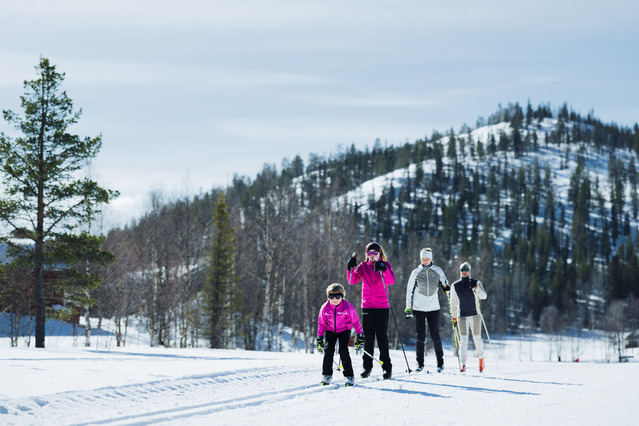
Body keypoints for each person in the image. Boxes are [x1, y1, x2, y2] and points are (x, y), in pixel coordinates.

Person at [346, 241, 395, 379]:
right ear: (366, 254)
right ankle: (367, 367)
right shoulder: (363, 266)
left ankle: (387, 368)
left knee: (382, 338)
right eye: (369, 253)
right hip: (367, 305)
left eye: (375, 253)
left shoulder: (385, 265)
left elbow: (391, 281)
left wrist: (383, 269)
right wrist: (349, 268)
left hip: (382, 306)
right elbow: (351, 280)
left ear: (379, 254)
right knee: (368, 338)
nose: (372, 256)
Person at [404, 247, 450, 373]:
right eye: (423, 258)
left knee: (435, 335)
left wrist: (446, 287)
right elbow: (409, 291)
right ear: (420, 259)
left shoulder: (438, 270)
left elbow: (445, 285)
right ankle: (420, 363)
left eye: (427, 258)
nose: (425, 261)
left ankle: (440, 363)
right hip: (419, 308)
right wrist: (408, 307)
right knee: (420, 336)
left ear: (431, 259)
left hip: (434, 308)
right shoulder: (415, 272)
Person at [316, 283, 364, 386]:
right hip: (330, 330)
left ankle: (349, 376)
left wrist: (360, 335)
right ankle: (327, 375)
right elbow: (321, 323)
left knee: (343, 350)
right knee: (328, 350)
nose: (334, 299)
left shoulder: (348, 307)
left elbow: (356, 322)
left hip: (344, 330)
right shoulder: (325, 307)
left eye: (337, 296)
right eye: (331, 296)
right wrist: (319, 338)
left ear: (342, 296)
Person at [450, 261, 487, 372]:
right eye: (462, 270)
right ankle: (463, 364)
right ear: (460, 271)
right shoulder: (455, 285)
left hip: (475, 315)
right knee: (463, 340)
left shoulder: (476, 282)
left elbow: (484, 296)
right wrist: (454, 317)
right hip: (462, 316)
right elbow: (453, 303)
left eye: (466, 270)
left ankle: (481, 360)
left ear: (469, 271)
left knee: (477, 338)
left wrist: (476, 288)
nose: (464, 272)